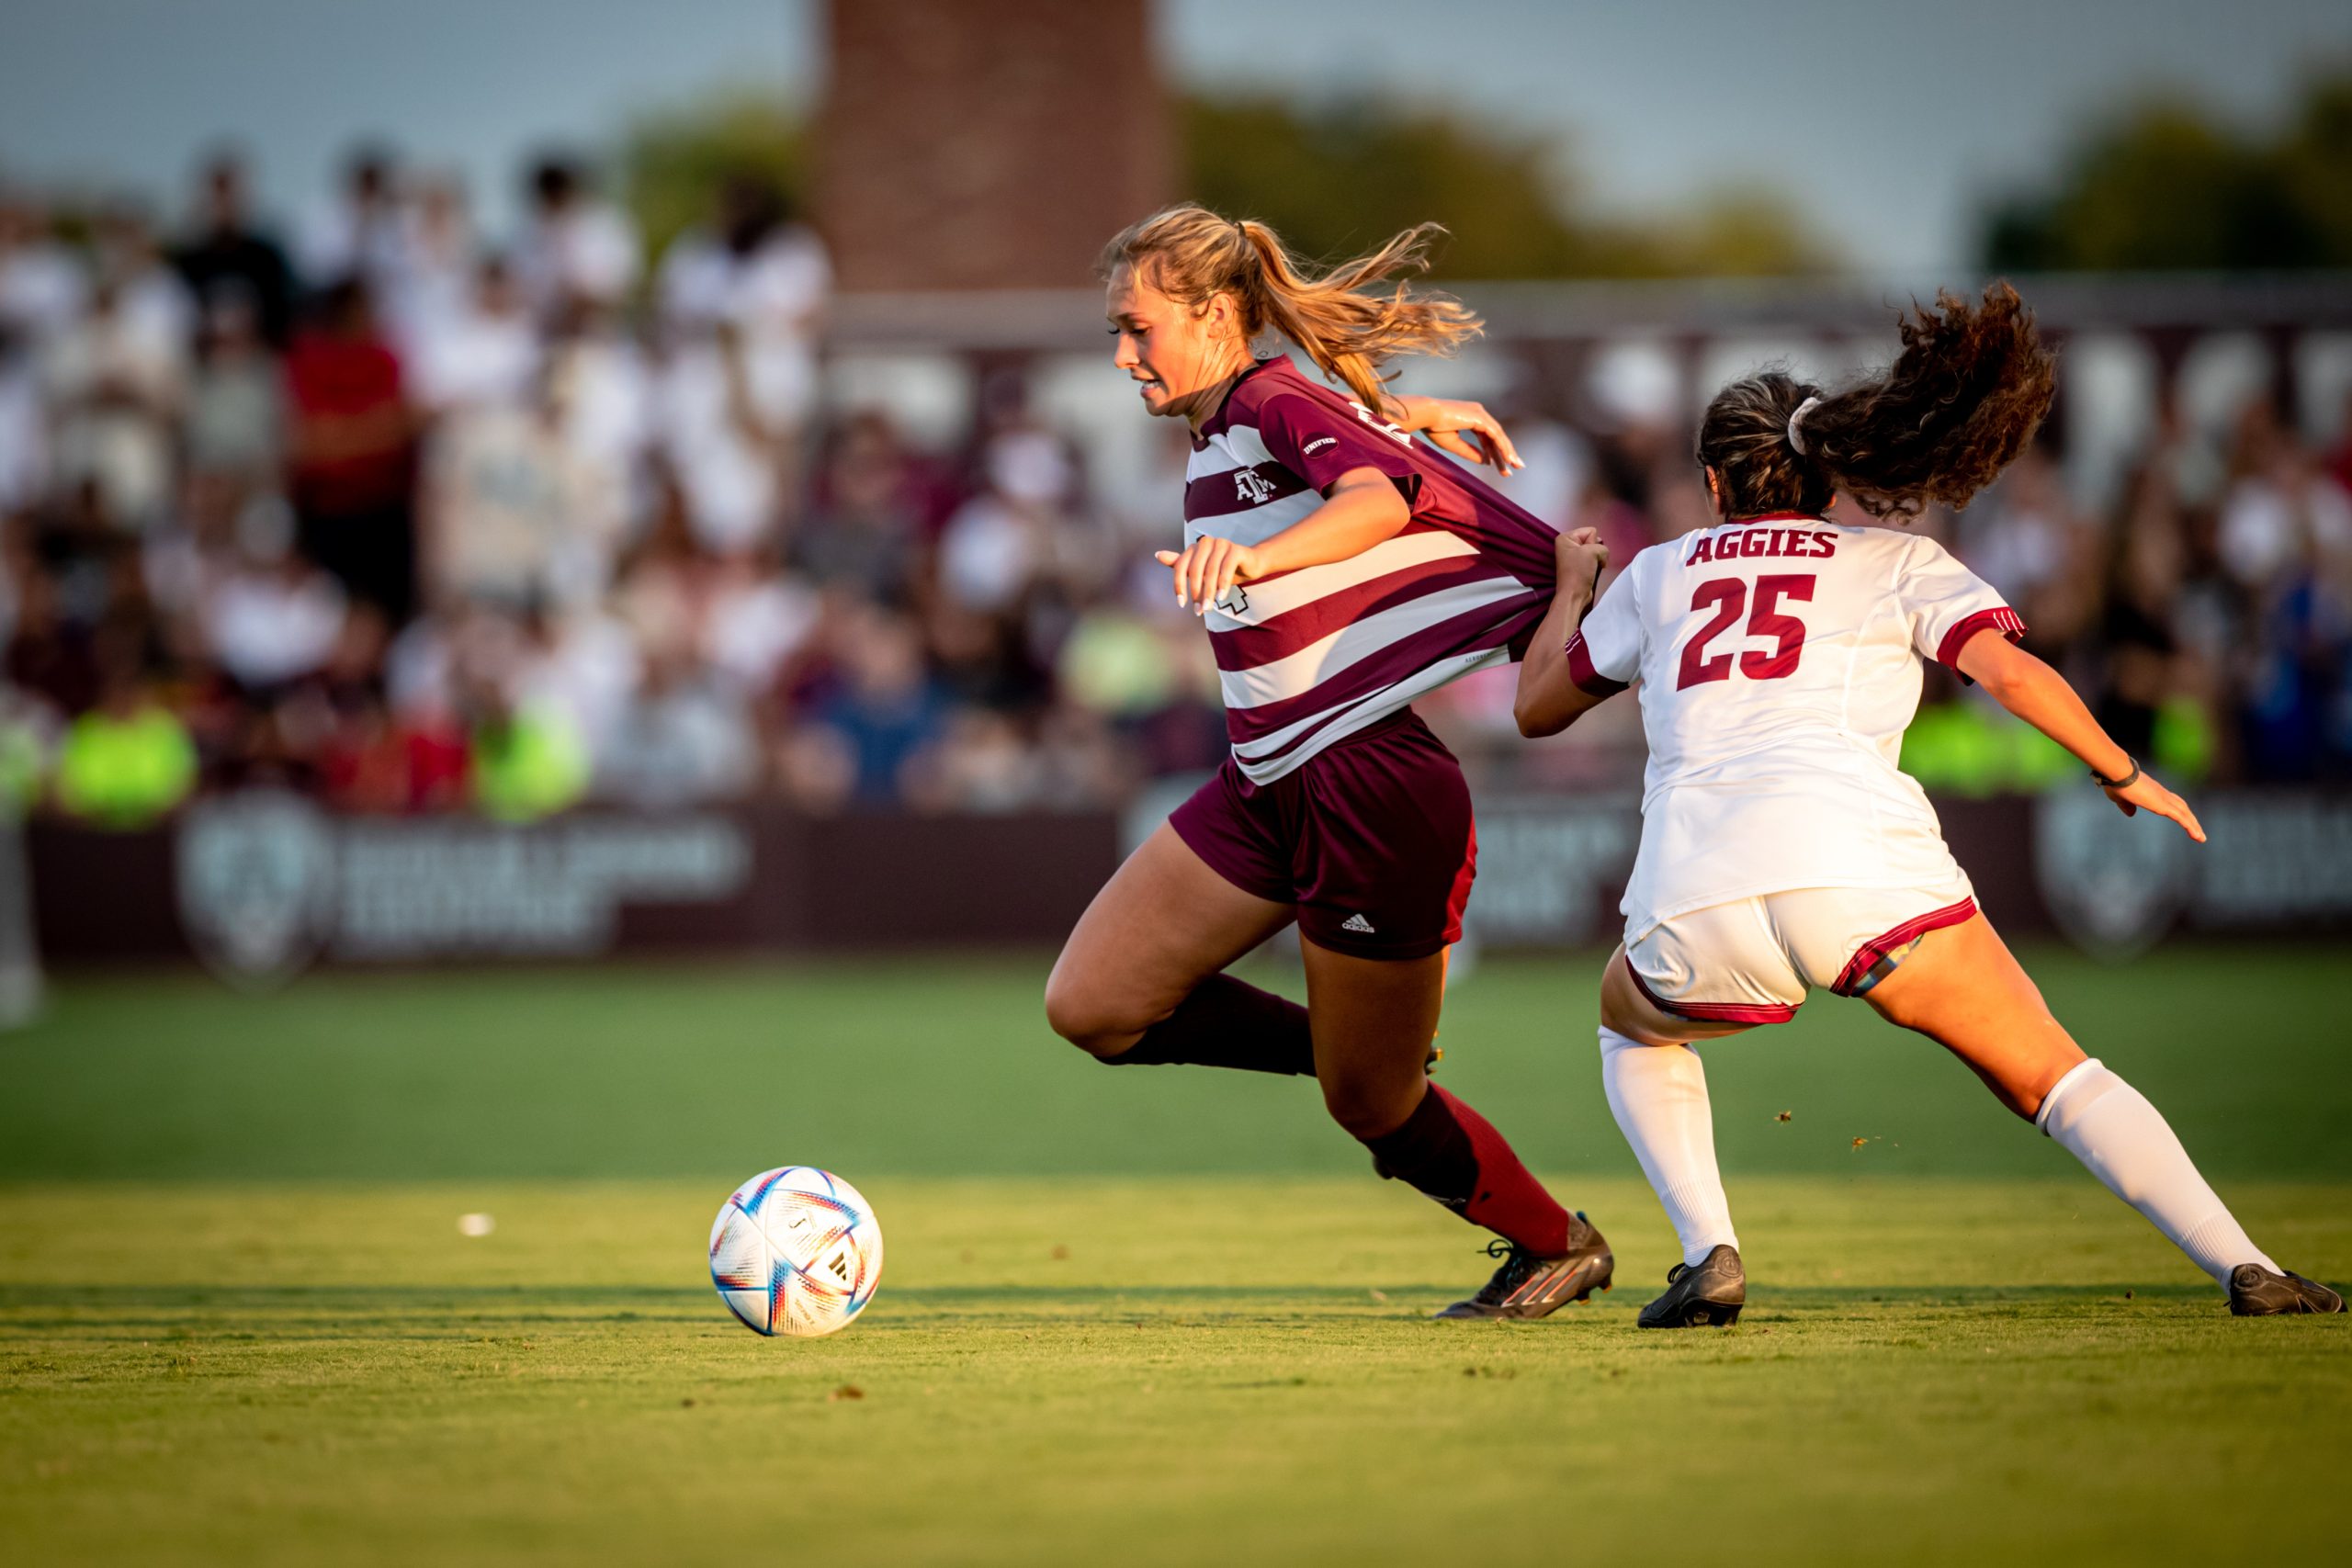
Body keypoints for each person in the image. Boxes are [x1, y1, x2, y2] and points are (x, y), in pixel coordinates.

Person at [1513, 283, 2343, 1324]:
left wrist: (1569, 588)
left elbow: (1538, 707)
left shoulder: (1658, 572)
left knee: (1632, 1029)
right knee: (2053, 1075)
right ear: (1832, 472)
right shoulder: (1898, 560)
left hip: (1697, 887)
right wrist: (2121, 771)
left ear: (1715, 481)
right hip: (1864, 872)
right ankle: (2245, 1266)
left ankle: (1708, 1252)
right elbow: (2007, 675)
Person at [1045, 203, 1611, 1318]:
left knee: (1371, 1106)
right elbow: (1349, 446)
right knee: (1095, 1005)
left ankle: (1556, 1243)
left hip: (1368, 786)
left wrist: (1253, 561)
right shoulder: (1241, 411)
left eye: (1136, 329)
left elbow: (1377, 497)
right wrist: (1398, 410)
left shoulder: (1265, 398)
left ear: (1212, 315)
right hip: (1267, 777)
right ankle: (1363, 1050)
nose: (1120, 355)